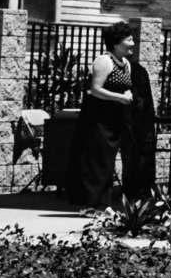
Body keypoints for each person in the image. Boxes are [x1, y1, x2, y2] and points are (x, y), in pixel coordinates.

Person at [65, 21, 154, 206]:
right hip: (99, 119)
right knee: (99, 162)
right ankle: (93, 204)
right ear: (116, 42)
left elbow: (126, 88)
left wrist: (128, 94)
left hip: (117, 119)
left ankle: (103, 203)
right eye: (129, 39)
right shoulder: (104, 61)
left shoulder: (126, 64)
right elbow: (95, 90)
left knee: (109, 162)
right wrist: (120, 98)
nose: (132, 43)